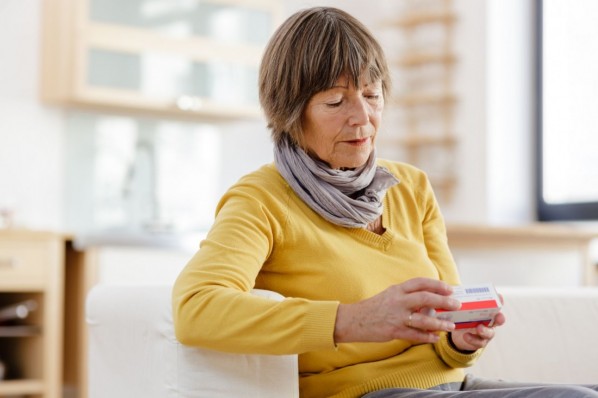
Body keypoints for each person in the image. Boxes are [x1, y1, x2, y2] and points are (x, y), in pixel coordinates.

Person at [172, 6, 598, 398]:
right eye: (336, 101)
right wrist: (350, 320)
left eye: (372, 95)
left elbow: (447, 328)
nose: (362, 118)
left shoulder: (410, 187)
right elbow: (196, 309)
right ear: (289, 112)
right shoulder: (261, 199)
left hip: (452, 384)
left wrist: (459, 338)